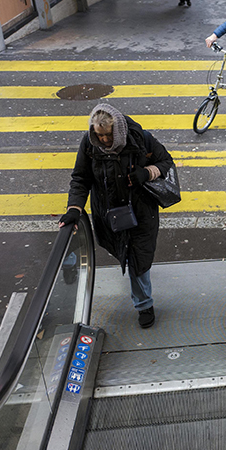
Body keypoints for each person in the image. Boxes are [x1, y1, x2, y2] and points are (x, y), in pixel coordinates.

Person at [59, 103, 176, 329]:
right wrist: (75, 207)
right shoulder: (88, 143)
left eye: (108, 135)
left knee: (137, 257)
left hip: (141, 212)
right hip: (109, 213)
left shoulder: (140, 138)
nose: (103, 140)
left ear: (118, 129)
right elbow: (81, 178)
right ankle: (71, 264)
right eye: (99, 135)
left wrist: (146, 172)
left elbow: (166, 162)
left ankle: (144, 305)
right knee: (123, 251)